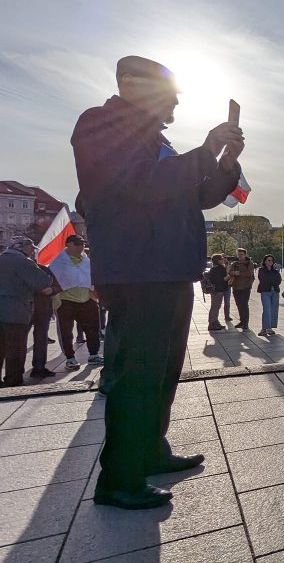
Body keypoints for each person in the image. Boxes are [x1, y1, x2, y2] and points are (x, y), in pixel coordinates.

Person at [71, 55, 243, 509]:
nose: (173, 105)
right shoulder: (100, 125)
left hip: (168, 269)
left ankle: (150, 450)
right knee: (136, 373)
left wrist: (223, 164)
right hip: (137, 269)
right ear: (129, 83)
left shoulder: (154, 139)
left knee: (163, 370)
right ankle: (119, 480)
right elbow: (143, 184)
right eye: (166, 94)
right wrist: (204, 150)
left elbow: (195, 195)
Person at [0, 237, 55, 388]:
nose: (32, 252)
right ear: (22, 248)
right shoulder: (24, 262)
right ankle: (13, 380)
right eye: (31, 248)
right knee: (15, 348)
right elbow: (44, 281)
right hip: (15, 312)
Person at [49, 234, 103, 371]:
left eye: (83, 244)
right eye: (78, 244)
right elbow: (53, 280)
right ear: (68, 245)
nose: (81, 247)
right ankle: (70, 358)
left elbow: (93, 277)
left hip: (87, 299)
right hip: (66, 300)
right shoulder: (58, 262)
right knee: (66, 332)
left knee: (92, 328)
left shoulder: (87, 260)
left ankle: (94, 354)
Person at [28, 262, 60, 378]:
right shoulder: (14, 269)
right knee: (18, 342)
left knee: (41, 339)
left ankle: (39, 367)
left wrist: (51, 290)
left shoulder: (42, 269)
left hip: (42, 309)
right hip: (23, 310)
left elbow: (57, 286)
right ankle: (15, 372)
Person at [228, 248, 256, 331]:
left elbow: (250, 273)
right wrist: (233, 273)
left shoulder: (249, 263)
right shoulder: (235, 264)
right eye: (238, 254)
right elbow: (230, 272)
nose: (240, 256)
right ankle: (242, 321)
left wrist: (239, 273)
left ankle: (245, 323)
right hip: (236, 287)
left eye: (241, 254)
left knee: (244, 305)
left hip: (245, 287)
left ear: (245, 255)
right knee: (239, 304)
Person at [257, 254, 281, 337]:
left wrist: (273, 281)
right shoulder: (261, 270)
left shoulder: (275, 271)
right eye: (268, 260)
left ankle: (268, 328)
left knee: (273, 309)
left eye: (271, 260)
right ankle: (266, 328)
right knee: (267, 309)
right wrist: (272, 281)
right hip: (265, 291)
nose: (270, 262)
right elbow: (263, 279)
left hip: (275, 292)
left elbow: (279, 280)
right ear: (265, 261)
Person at [205, 254, 229, 332]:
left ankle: (215, 322)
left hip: (215, 290)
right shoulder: (220, 268)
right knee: (215, 307)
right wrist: (228, 277)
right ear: (218, 260)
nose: (223, 260)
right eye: (221, 259)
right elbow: (222, 279)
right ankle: (212, 323)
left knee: (216, 307)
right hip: (218, 290)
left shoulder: (213, 268)